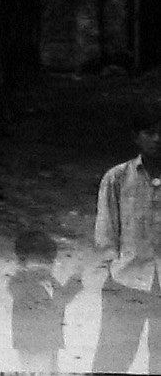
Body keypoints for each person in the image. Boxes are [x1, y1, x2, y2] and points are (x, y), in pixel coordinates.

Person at [94, 123, 161, 371]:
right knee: (113, 358)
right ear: (136, 136)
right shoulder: (117, 177)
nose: (158, 139)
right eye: (150, 132)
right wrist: (112, 267)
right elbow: (106, 229)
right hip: (126, 281)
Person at [8, 229, 81, 374]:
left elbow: (62, 298)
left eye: (46, 263)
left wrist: (75, 280)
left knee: (51, 369)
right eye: (35, 265)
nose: (42, 268)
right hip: (31, 342)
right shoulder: (20, 282)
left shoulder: (49, 281)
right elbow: (56, 301)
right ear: (21, 263)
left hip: (50, 340)